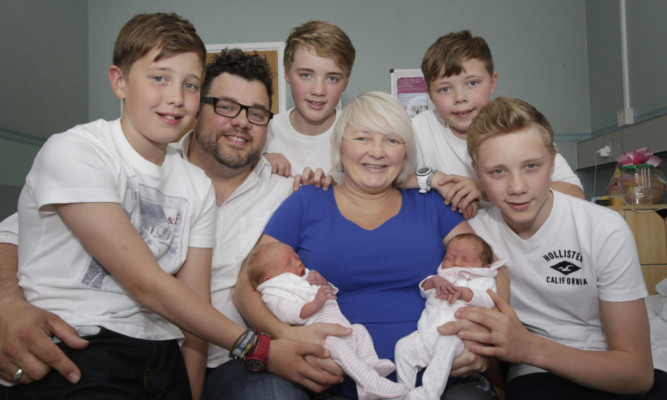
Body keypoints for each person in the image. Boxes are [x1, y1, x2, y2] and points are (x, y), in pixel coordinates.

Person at [0, 44, 344, 399]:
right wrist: (7, 305)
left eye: (257, 113)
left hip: (240, 362)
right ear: (196, 107)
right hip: (138, 349)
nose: (241, 121)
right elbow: (13, 236)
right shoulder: (145, 164)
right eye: (225, 106)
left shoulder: (288, 192)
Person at [235, 91, 509, 399]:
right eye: (362, 138)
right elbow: (246, 286)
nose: (377, 152)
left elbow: (494, 271)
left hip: (436, 374)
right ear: (340, 144)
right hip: (331, 379)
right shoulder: (306, 202)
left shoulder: (432, 204)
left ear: (406, 152)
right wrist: (288, 337)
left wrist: (480, 343)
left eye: (392, 140)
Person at [450, 96, 667, 399]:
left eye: (531, 166)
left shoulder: (603, 229)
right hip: (537, 376)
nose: (517, 187)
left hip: (609, 365)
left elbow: (636, 373)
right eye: (497, 171)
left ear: (553, 161)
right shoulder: (474, 238)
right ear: (477, 171)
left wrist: (529, 346)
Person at [412, 30, 584, 215]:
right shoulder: (420, 128)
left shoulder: (517, 125)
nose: (460, 98)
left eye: (472, 83)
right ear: (429, 94)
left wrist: (485, 190)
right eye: (445, 89)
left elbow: (575, 195)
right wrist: (434, 178)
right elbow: (388, 176)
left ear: (492, 83)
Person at [248, 242, 407, 400]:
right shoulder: (273, 293)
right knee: (342, 351)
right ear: (270, 278)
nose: (298, 262)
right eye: (289, 262)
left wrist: (322, 282)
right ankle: (371, 382)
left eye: (296, 257)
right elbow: (290, 313)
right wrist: (315, 304)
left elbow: (330, 293)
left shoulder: (302, 278)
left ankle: (370, 363)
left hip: (340, 327)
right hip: (321, 338)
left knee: (359, 330)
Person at [395, 233, 505, 400]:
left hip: (455, 339)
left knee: (445, 344)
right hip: (426, 335)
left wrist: (467, 294)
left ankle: (428, 394)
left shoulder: (482, 280)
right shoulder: (441, 277)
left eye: (467, 260)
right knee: (403, 347)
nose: (457, 263)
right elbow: (424, 290)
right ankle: (403, 392)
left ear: (485, 266)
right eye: (450, 257)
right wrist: (434, 281)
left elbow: (489, 299)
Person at [263, 20, 355, 180]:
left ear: (346, 82)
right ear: (286, 73)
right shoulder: (262, 134)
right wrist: (258, 164)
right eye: (306, 75)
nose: (318, 90)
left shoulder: (361, 135)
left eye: (332, 78)